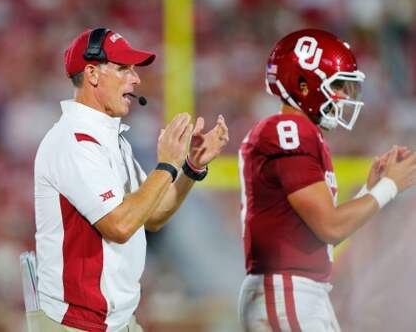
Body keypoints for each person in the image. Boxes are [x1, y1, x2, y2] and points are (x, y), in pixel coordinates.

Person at [31, 27, 229, 332]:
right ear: (92, 74)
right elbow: (120, 225)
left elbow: (152, 216)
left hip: (116, 320)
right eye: (123, 68)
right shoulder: (73, 142)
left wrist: (190, 166)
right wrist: (166, 164)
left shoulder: (112, 139)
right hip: (76, 324)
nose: (135, 79)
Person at [237, 28, 416, 331]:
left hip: (296, 290)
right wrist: (390, 187)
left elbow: (320, 233)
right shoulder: (289, 132)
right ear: (304, 85)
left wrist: (368, 191)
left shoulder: (302, 135)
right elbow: (330, 227)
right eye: (338, 86)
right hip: (288, 291)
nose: (344, 97)